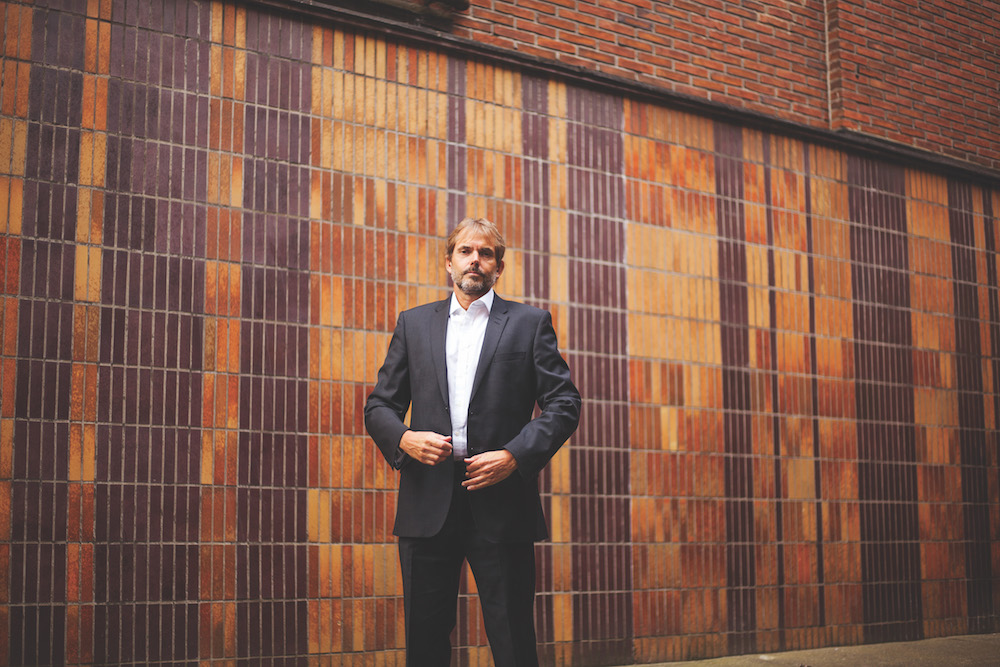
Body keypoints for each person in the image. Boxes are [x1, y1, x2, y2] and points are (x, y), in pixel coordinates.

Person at [364, 217, 581, 667]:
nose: (475, 261)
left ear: (498, 267)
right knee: (425, 639)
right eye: (465, 251)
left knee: (513, 637)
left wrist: (514, 455)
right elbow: (379, 407)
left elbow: (564, 403)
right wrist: (405, 438)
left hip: (502, 499)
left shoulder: (529, 323)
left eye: (485, 253)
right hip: (427, 502)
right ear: (449, 262)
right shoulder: (414, 324)